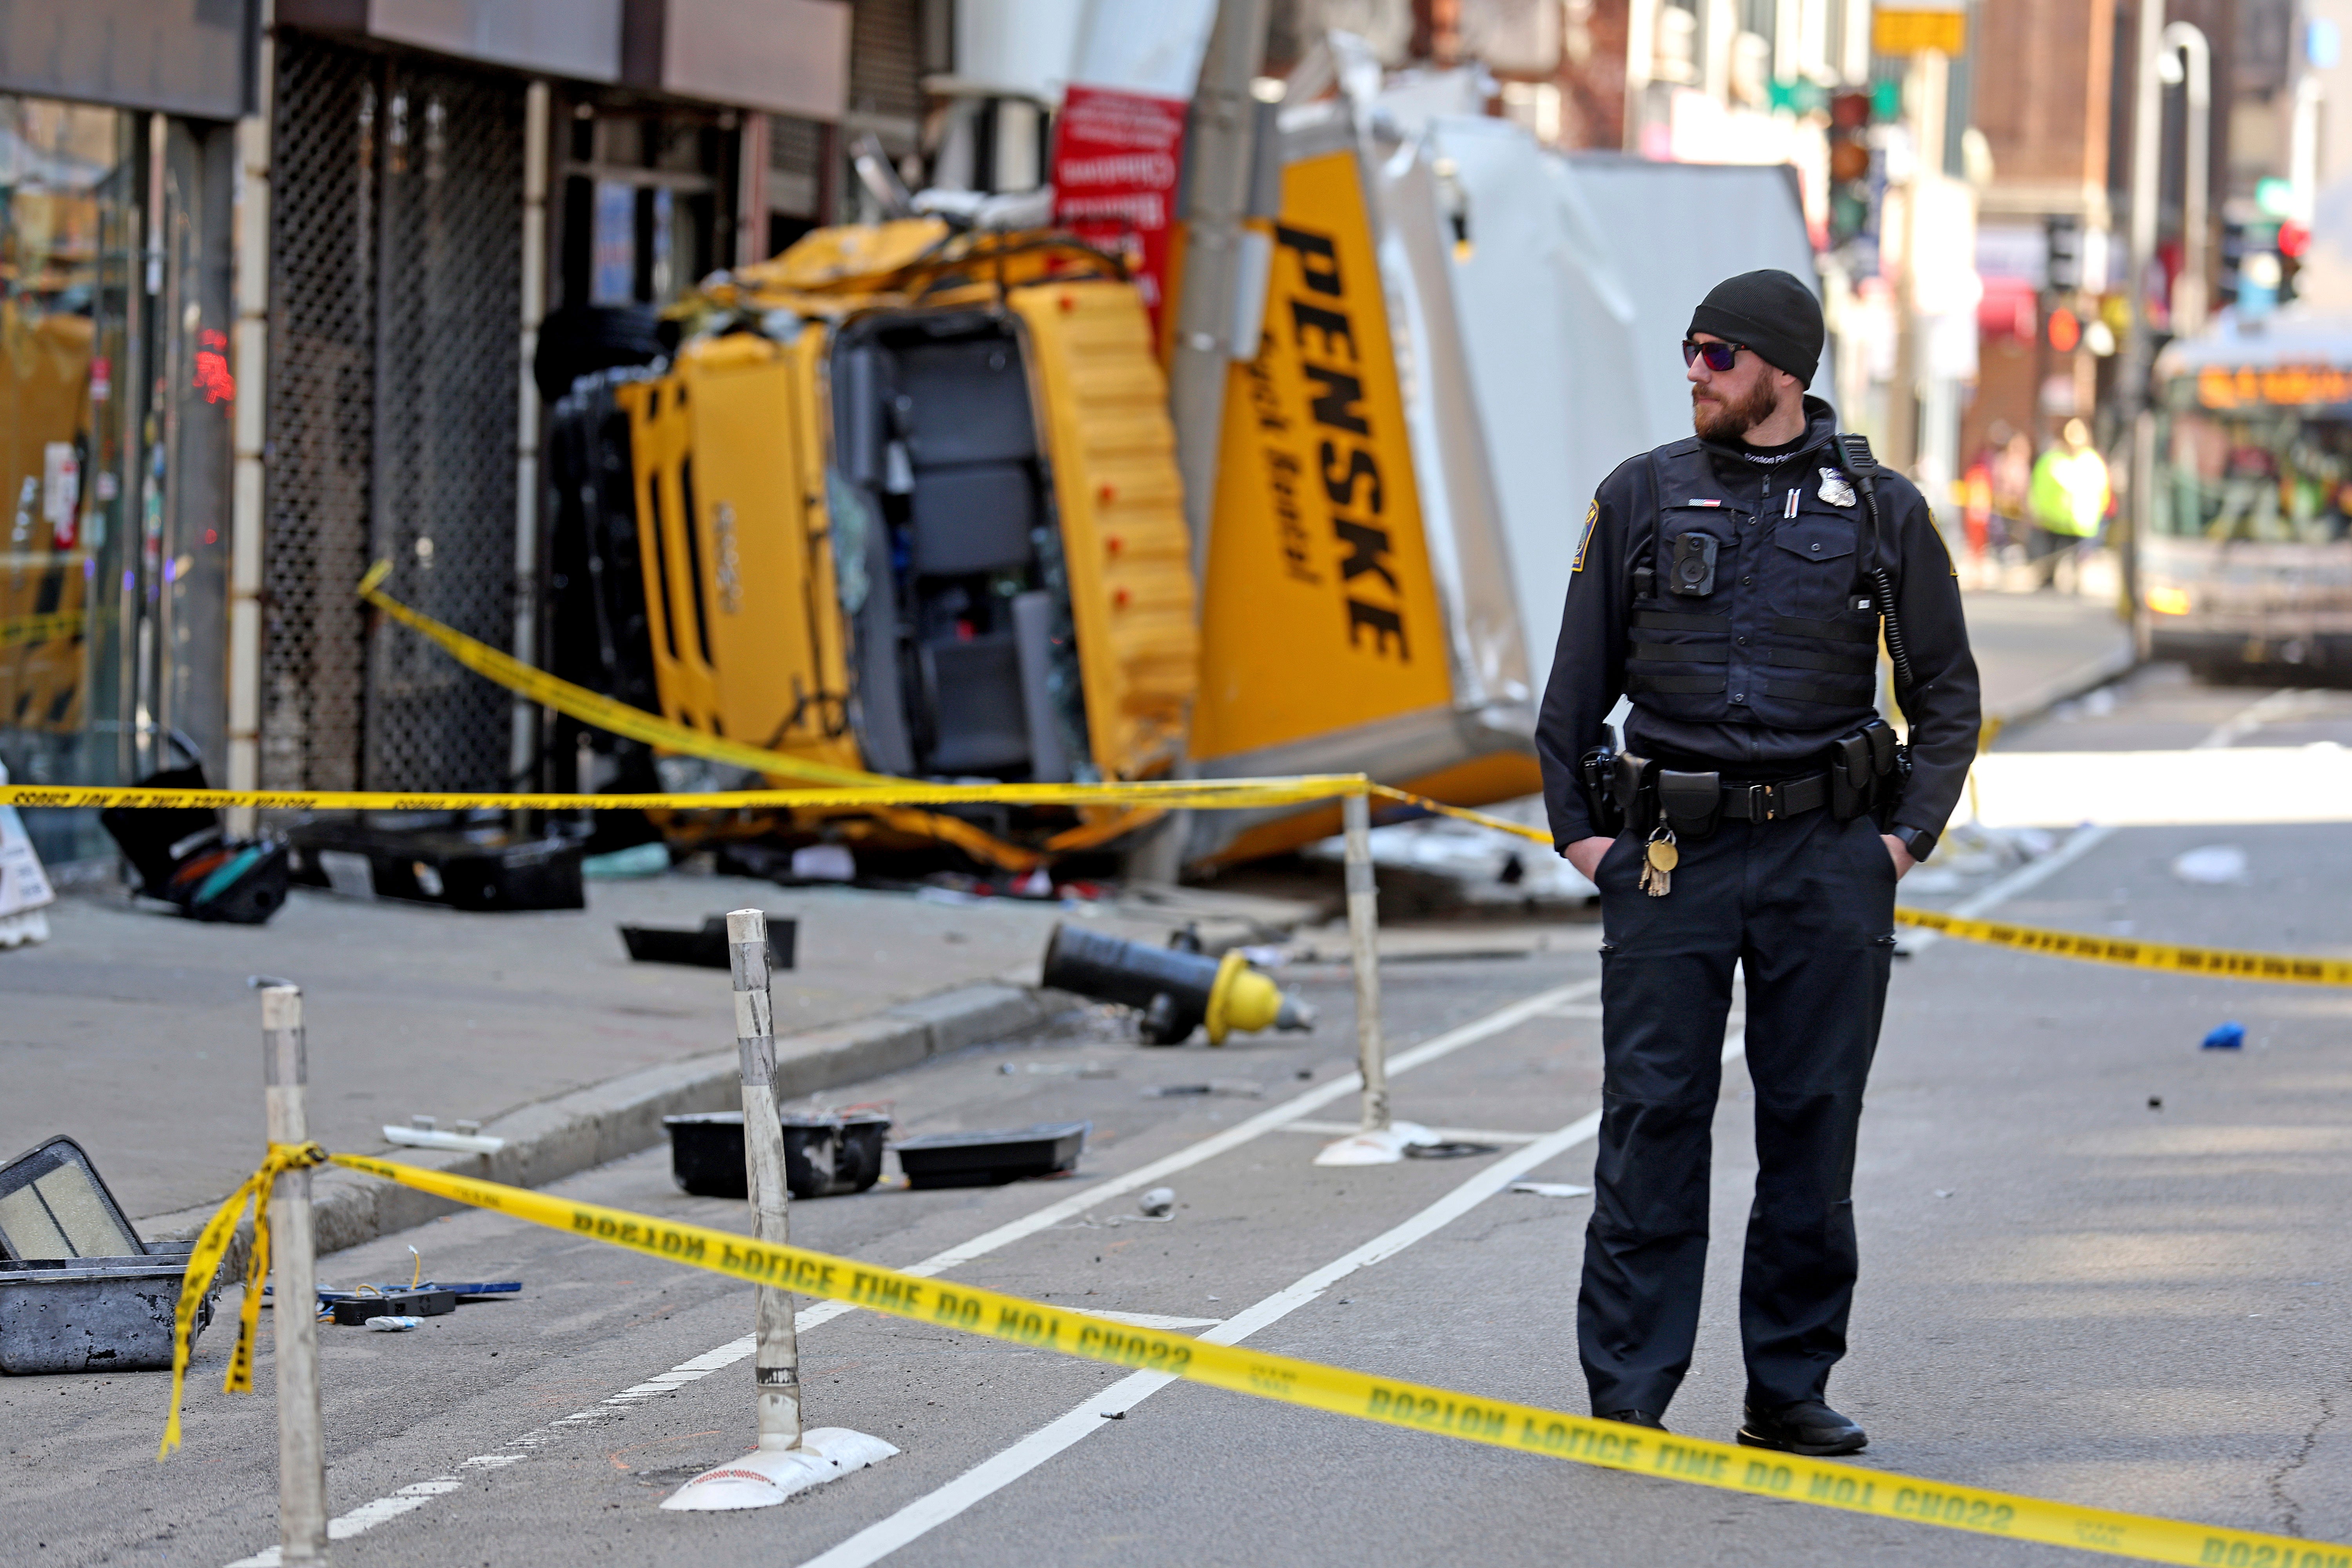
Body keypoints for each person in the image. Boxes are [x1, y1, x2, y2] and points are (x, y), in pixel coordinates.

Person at [1535, 269, 1980, 1456]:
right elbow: (1570, 694)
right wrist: (1585, 839)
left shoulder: (1882, 509)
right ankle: (1626, 1391)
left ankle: (1786, 1387)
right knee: (1651, 1116)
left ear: (1783, 371)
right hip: (1670, 857)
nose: (1693, 371)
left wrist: (1897, 841)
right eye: (1689, 350)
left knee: (1810, 1121)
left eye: (1716, 355)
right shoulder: (1637, 496)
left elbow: (1945, 694)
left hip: (1825, 858)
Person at [2026, 417, 2109, 589]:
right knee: (2049, 565)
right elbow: (2037, 488)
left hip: (2080, 524)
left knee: (2078, 563)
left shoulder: (2092, 461)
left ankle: (2075, 585)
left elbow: (2102, 491)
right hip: (2052, 522)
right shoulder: (2051, 460)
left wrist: (2100, 512)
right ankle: (2048, 586)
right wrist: (2036, 512)